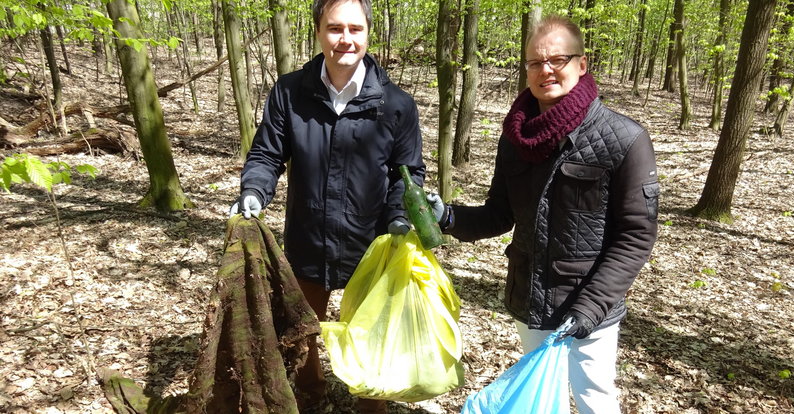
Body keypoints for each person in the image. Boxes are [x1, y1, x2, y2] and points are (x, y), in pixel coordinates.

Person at [428, 15, 659, 413]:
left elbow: (635, 236)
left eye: (557, 60)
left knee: (594, 399)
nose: (545, 70)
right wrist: (447, 217)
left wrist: (590, 307)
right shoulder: (516, 136)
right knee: (542, 399)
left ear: (581, 64)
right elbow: (500, 213)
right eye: (535, 62)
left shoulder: (625, 138)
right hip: (531, 296)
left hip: (589, 306)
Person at [229, 0, 425, 412]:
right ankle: (312, 396)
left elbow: (407, 175)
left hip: (369, 249)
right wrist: (254, 192)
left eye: (355, 28)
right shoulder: (289, 92)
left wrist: (400, 220)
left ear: (368, 33)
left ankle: (369, 405)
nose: (345, 39)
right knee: (302, 334)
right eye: (335, 28)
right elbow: (266, 155)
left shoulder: (396, 104)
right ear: (319, 31)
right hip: (306, 242)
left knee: (372, 344)